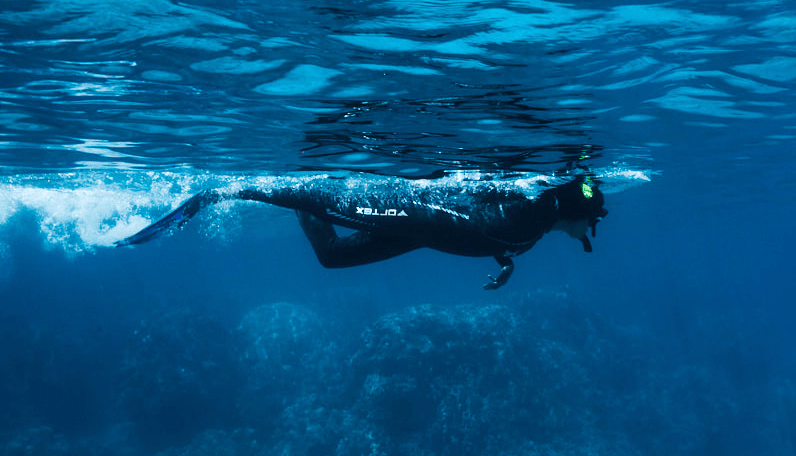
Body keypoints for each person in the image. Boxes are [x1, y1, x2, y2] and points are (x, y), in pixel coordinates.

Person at [115, 172, 608, 289]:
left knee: (330, 257)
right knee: (302, 194)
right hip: (413, 212)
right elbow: (518, 200)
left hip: (420, 233)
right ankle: (222, 190)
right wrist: (579, 184)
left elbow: (499, 238)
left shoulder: (537, 230)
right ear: (577, 211)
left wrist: (505, 265)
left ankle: (290, 192)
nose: (586, 234)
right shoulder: (539, 206)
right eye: (591, 225)